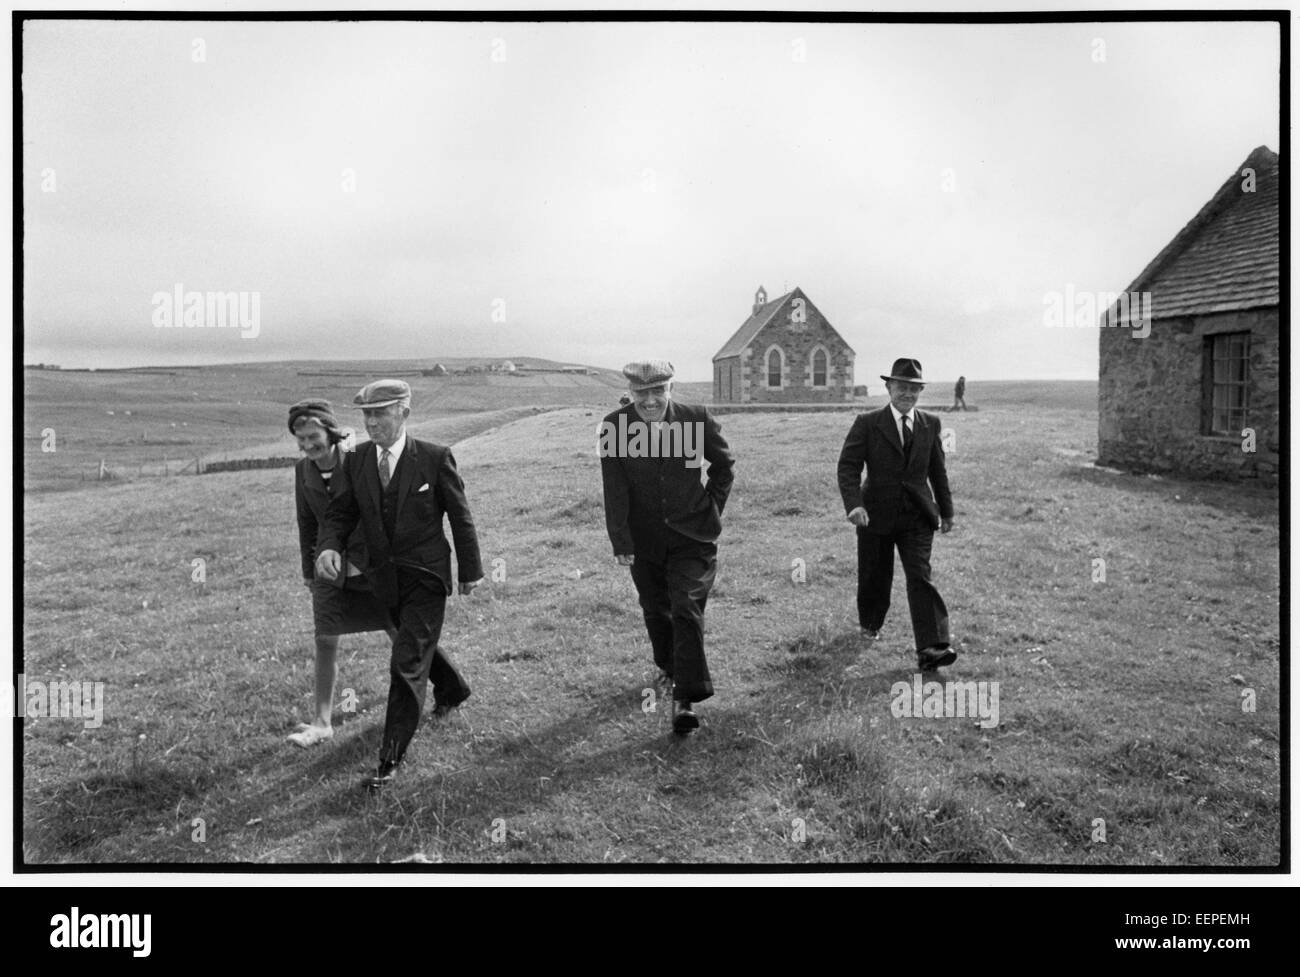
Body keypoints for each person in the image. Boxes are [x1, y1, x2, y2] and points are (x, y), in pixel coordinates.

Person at [315, 379, 484, 791]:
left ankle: (389, 758)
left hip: (426, 576)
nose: (372, 422)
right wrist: (329, 547)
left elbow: (459, 517)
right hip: (383, 578)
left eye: (381, 413)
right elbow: (340, 512)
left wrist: (471, 570)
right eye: (367, 414)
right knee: (415, 643)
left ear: (404, 412)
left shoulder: (434, 458)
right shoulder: (355, 460)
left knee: (405, 660)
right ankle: (453, 689)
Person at [599, 360, 734, 734]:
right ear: (631, 392)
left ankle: (684, 700)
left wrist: (711, 509)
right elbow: (614, 486)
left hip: (693, 537)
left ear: (670, 388)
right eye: (642, 393)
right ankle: (669, 664)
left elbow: (724, 466)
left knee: (686, 606)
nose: (651, 400)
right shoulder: (615, 426)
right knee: (656, 611)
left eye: (658, 391)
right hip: (645, 542)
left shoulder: (696, 419)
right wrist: (621, 540)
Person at [288, 399, 397, 748]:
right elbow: (307, 523)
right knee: (325, 638)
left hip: (372, 562)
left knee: (400, 630)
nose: (307, 446)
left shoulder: (361, 460)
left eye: (312, 437)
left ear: (330, 431)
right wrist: (309, 571)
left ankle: (438, 688)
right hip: (328, 567)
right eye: (299, 439)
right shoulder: (302, 472)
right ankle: (321, 724)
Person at [837, 357, 957, 672]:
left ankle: (932, 647)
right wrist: (854, 504)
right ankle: (871, 623)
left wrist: (947, 512)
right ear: (889, 388)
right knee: (875, 574)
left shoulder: (930, 423)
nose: (908, 394)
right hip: (874, 515)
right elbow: (848, 466)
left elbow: (937, 470)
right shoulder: (868, 422)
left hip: (917, 516)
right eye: (902, 387)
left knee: (920, 576)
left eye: (914, 389)